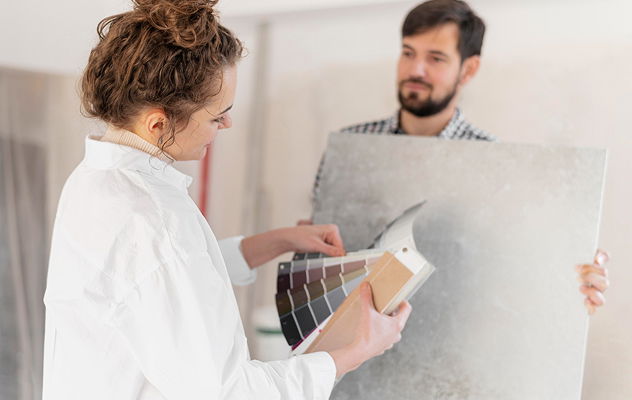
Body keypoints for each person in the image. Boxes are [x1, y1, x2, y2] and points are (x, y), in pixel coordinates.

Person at [41, 1, 412, 399]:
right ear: (158, 123)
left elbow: (168, 281)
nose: (227, 123)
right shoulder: (154, 219)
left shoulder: (95, 179)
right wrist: (356, 351)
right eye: (216, 116)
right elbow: (228, 392)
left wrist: (277, 241)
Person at [308, 0, 609, 313]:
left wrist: (573, 281)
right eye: (408, 53)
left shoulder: (494, 164)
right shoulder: (350, 151)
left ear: (469, 69)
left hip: (458, 333)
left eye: (435, 58)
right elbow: (321, 263)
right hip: (353, 333)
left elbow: (516, 270)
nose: (415, 70)